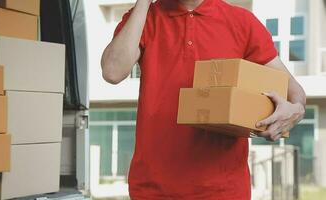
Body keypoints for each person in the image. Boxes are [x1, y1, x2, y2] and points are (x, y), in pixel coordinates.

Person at [101, 0, 306, 199]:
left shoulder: (242, 22)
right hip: (153, 189)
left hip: (223, 191)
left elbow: (295, 93)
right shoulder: (144, 18)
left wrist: (295, 111)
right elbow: (112, 72)